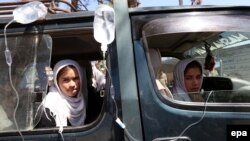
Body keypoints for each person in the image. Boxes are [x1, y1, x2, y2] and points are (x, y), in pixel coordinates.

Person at [36, 59, 87, 128]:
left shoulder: (82, 100)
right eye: (66, 80)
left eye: (75, 78)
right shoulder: (50, 106)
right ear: (56, 82)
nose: (72, 84)